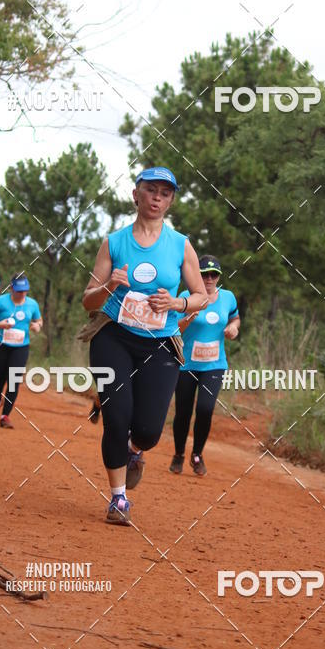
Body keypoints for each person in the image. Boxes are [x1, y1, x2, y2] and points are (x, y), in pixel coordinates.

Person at [81, 166, 207, 525]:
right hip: (114, 337)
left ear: (171, 201)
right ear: (136, 194)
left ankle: (135, 450)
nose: (157, 198)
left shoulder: (181, 245)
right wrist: (109, 287)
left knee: (149, 431)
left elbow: (200, 296)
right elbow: (88, 299)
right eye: (151, 190)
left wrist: (177, 303)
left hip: (160, 343)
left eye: (165, 193)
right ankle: (118, 499)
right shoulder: (114, 242)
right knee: (116, 417)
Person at [170, 255, 240, 476]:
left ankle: (197, 454)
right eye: (204, 274)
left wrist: (233, 328)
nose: (209, 279)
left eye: (214, 275)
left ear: (218, 276)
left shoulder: (228, 297)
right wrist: (188, 318)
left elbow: (235, 318)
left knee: (205, 409)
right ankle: (179, 454)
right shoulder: (185, 297)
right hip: (186, 365)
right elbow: (173, 329)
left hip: (214, 365)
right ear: (196, 275)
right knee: (183, 412)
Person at [0, 273, 42, 428]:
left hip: (21, 347)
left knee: (14, 380)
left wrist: (37, 326)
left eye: (25, 290)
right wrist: (0, 325)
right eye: (19, 290)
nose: (22, 293)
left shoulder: (32, 304)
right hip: (0, 346)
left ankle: (5, 416)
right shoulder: (0, 301)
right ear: (11, 288)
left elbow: (38, 320)